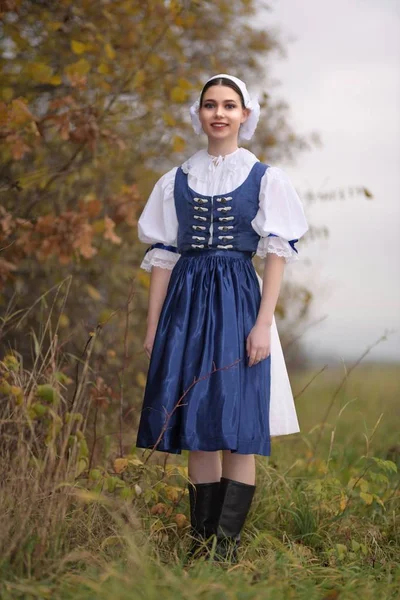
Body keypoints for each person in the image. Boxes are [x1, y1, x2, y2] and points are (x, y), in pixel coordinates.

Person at [135, 74, 309, 563]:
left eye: (229, 105)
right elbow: (164, 258)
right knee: (199, 424)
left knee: (236, 424)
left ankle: (226, 550)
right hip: (186, 307)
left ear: (245, 114)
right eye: (210, 104)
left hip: (238, 302)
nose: (219, 113)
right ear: (199, 113)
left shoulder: (266, 178)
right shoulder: (175, 181)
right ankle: (201, 545)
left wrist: (263, 323)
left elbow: (276, 253)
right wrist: (153, 328)